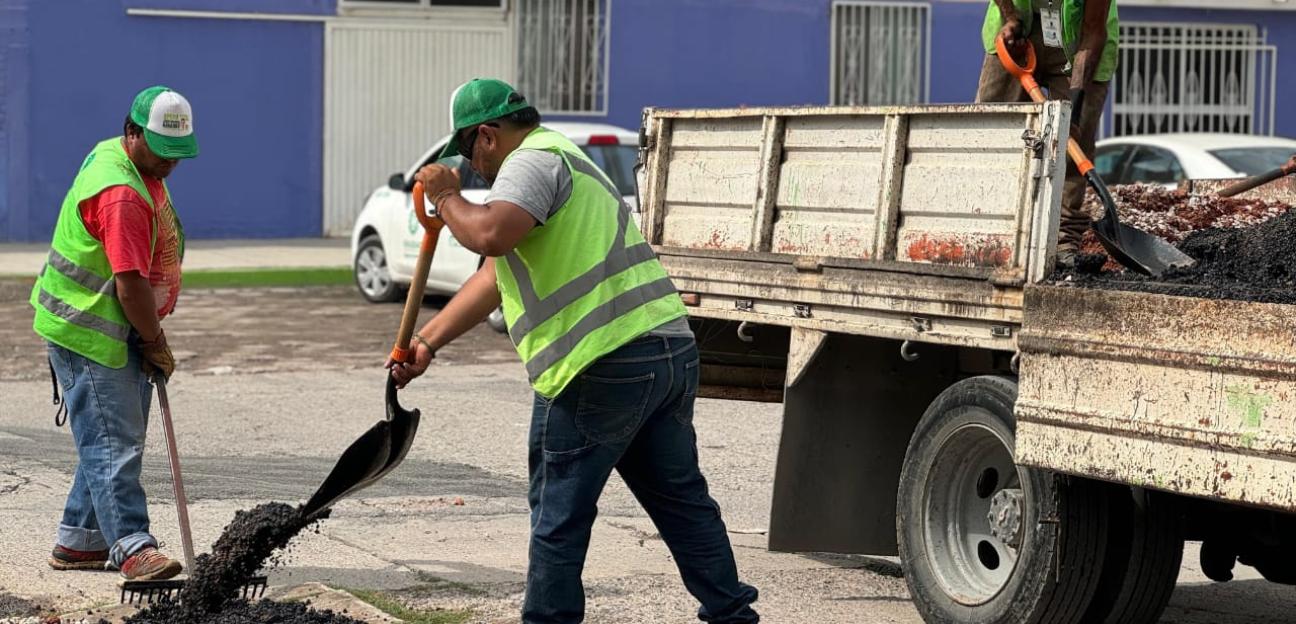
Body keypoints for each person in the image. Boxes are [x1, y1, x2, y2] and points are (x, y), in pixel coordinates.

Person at [389, 78, 760, 623]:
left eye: (467, 153)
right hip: (665, 351)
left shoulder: (531, 162)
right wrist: (426, 341)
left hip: (600, 364)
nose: (469, 167)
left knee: (559, 517)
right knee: (682, 503)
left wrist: (446, 196)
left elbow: (489, 235)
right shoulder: (564, 162)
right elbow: (494, 274)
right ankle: (733, 615)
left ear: (487, 136)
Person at [32, 86, 198, 581]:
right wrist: (153, 341)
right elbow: (129, 285)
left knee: (107, 435)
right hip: (90, 329)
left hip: (101, 324)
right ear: (133, 132)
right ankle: (131, 545)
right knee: (114, 442)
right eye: (161, 152)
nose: (170, 163)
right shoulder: (122, 193)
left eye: (178, 154)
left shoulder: (122, 157)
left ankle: (80, 541)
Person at [979, 0, 1118, 266]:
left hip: (1081, 40)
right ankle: (989, 224)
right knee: (993, 128)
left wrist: (1072, 111)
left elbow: (1093, 34)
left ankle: (1062, 239)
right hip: (1020, 27)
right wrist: (1011, 18)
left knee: (1076, 138)